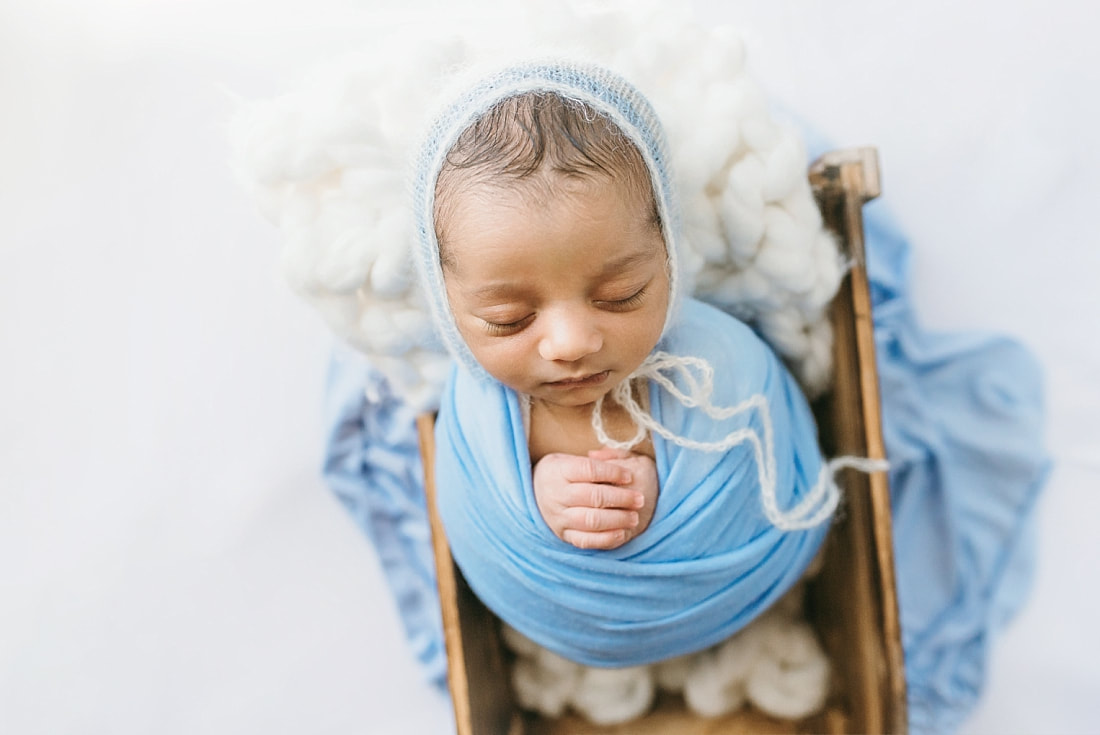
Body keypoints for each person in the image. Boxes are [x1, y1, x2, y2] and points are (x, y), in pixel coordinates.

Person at [409, 62, 877, 724]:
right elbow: (472, 503)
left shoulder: (718, 367)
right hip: (564, 622)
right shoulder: (477, 413)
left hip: (737, 586)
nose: (570, 340)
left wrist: (671, 483)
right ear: (447, 304)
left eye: (619, 294)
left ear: (668, 256)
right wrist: (536, 496)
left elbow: (773, 443)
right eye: (510, 319)